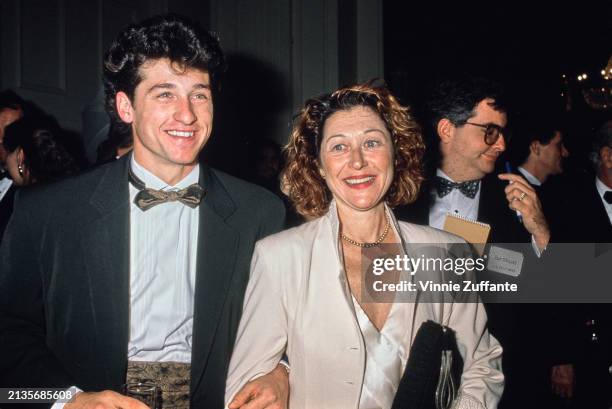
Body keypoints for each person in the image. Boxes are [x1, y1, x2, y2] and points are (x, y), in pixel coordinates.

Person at [0, 14, 286, 409]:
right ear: (125, 107)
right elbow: (8, 334)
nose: (187, 114)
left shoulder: (262, 212)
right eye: (165, 94)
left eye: (199, 94)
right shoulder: (46, 212)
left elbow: (292, 323)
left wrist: (281, 371)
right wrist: (66, 401)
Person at [225, 82, 503, 409]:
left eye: (371, 142)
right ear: (318, 165)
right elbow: (245, 389)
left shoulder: (446, 252)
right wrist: (280, 374)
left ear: (396, 154)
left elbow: (482, 365)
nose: (357, 162)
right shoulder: (280, 257)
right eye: (339, 147)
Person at [394, 77, 554, 408]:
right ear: (447, 130)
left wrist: (540, 231)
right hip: (403, 371)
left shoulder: (517, 203)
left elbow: (549, 289)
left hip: (490, 376)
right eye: (489, 131)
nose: (501, 145)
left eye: (502, 133)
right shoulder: (398, 197)